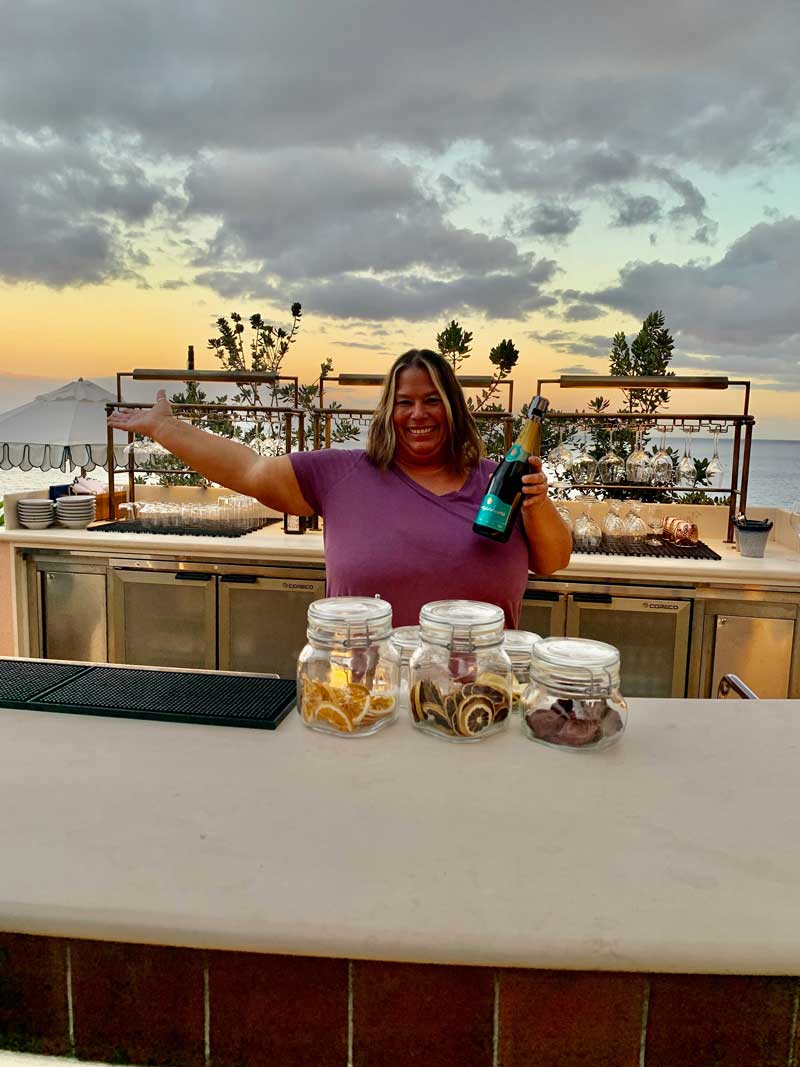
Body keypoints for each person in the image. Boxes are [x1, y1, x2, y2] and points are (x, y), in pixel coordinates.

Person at [107, 348, 571, 626]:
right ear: (388, 411)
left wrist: (537, 502)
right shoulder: (343, 475)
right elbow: (249, 470)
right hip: (362, 695)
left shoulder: (498, 484)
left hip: (478, 697)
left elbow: (553, 561)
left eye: (433, 400)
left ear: (453, 409)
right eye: (404, 402)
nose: (418, 414)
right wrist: (167, 429)